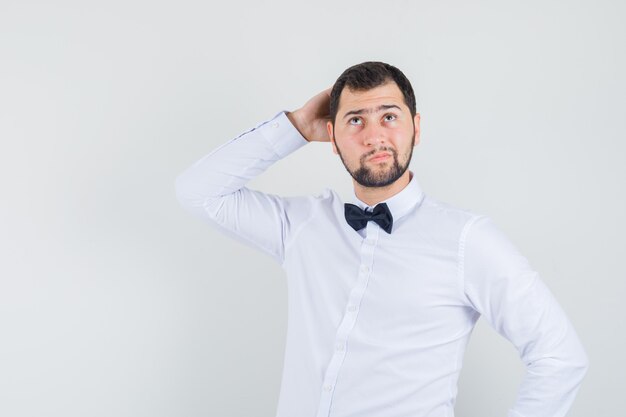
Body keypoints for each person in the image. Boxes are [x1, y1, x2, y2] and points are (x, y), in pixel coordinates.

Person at [175, 61, 588, 417]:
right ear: (333, 139)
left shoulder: (467, 240)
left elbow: (559, 357)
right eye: (356, 120)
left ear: (416, 128)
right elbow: (198, 190)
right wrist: (297, 127)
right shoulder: (302, 226)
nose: (374, 137)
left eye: (389, 116)